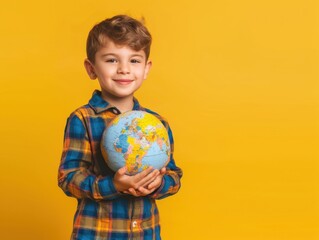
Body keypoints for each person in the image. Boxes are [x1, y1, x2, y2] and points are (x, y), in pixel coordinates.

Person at [58, 15, 183, 240]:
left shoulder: (156, 125)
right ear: (91, 68)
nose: (124, 69)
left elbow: (174, 176)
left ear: (146, 68)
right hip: (97, 234)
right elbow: (69, 178)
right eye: (111, 60)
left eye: (134, 61)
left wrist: (158, 183)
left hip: (145, 233)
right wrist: (113, 185)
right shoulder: (83, 119)